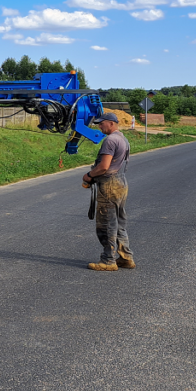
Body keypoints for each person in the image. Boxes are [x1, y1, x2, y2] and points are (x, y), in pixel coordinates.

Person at [82, 112, 134, 271]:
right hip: (121, 182)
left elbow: (104, 166)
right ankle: (125, 257)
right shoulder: (123, 138)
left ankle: (108, 260)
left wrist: (89, 175)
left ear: (111, 123)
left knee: (106, 223)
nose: (99, 126)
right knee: (119, 222)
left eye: (101, 123)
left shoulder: (110, 140)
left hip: (110, 184)